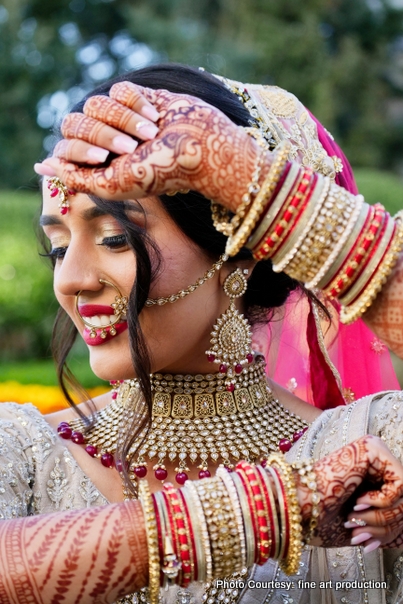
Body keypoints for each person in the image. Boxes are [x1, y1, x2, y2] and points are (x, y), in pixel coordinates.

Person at [0, 64, 402, 604]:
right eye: (57, 247)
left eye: (115, 238)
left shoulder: (371, 447)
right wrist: (276, 508)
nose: (69, 279)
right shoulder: (21, 451)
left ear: (236, 253)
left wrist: (260, 189)